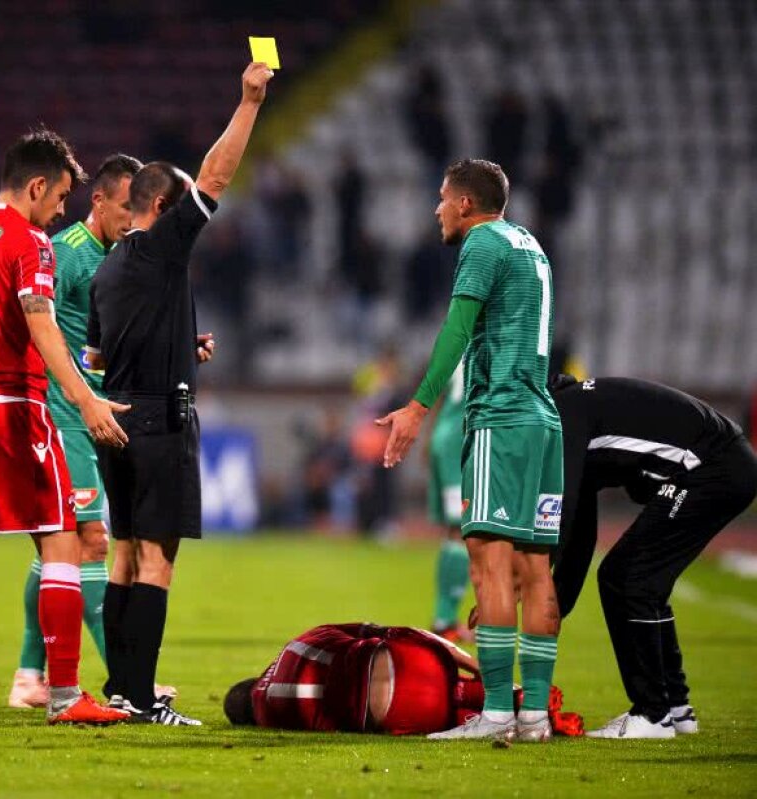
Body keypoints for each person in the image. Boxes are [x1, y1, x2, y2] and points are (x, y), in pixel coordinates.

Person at [86, 61, 274, 726]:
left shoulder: (108, 269)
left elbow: (101, 353)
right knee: (158, 562)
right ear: (164, 208)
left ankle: (119, 690)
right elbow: (217, 177)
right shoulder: (160, 248)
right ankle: (140, 700)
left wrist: (178, 344)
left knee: (123, 553)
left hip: (116, 419)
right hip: (162, 424)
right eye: (185, 204)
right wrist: (249, 101)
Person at [0, 130, 131, 726]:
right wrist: (85, 400)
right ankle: (65, 696)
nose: (62, 209)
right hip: (12, 406)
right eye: (61, 195)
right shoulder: (31, 243)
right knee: (62, 540)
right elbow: (43, 329)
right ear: (36, 186)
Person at [378, 159, 563, 742]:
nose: (436, 208)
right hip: (541, 418)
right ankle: (533, 713)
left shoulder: (481, 242)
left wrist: (417, 407)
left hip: (500, 417)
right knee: (534, 572)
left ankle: (496, 716)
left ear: (465, 204)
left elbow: (457, 330)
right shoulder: (529, 243)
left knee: (488, 566)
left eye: (441, 198)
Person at [9, 154, 146, 709]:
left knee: (55, 547)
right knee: (91, 541)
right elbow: (33, 321)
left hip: (103, 413)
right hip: (65, 413)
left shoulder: (122, 258)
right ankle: (125, 683)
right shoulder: (65, 254)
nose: (133, 218)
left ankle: (26, 677)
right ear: (100, 200)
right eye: (126, 207)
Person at [549, 374, 757, 738]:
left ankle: (652, 713)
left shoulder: (566, 414)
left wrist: (538, 588)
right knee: (637, 580)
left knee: (629, 578)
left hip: (710, 468)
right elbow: (581, 530)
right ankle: (676, 710)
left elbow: (562, 514)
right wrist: (557, 603)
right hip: (724, 465)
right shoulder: (582, 404)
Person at [223, 623, 581, 736]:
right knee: (399, 642)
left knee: (460, 716)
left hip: (403, 715)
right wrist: (471, 662)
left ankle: (539, 722)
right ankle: (516, 696)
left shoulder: (272, 718)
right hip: (416, 663)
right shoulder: (298, 645)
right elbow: (397, 629)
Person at [426, 364, 471, 641]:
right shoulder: (491, 345)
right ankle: (445, 621)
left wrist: (431, 437)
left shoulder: (458, 347)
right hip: (459, 439)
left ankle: (446, 618)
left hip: (445, 436)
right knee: (460, 529)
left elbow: (437, 393)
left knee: (455, 531)